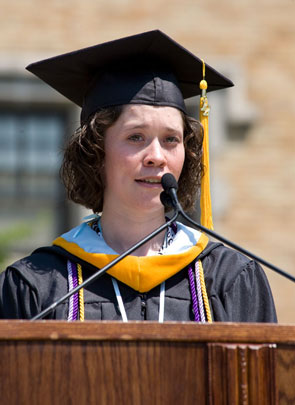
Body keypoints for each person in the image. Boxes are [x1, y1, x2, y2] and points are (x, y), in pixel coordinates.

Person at [0, 30, 277, 322]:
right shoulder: (37, 285)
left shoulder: (229, 280)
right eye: (136, 137)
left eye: (171, 139)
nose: (156, 156)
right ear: (95, 152)